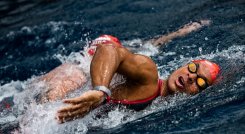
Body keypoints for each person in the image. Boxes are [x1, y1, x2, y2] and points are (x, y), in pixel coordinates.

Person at [39, 20, 220, 123]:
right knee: (43, 113)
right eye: (193, 68)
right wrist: (100, 91)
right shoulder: (149, 75)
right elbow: (109, 49)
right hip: (76, 73)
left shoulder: (160, 103)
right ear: (185, 64)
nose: (190, 77)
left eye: (200, 82)